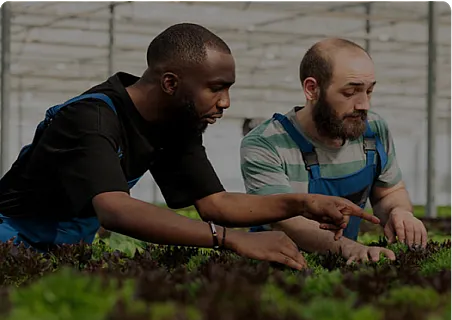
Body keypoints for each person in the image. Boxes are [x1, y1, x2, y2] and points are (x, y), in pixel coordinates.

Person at [0, 25, 379, 271]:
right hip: (10, 238)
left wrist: (302, 203)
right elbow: (115, 210)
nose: (226, 102)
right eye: (217, 87)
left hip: (65, 250)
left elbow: (215, 204)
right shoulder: (92, 119)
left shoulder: (176, 123)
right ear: (170, 83)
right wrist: (231, 241)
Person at [240, 37, 427, 265]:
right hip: (276, 270)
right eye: (350, 93)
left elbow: (389, 192)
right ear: (312, 89)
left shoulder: (375, 131)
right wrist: (350, 247)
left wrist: (399, 212)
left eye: (369, 91)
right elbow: (285, 219)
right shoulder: (266, 143)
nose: (364, 105)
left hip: (343, 265)